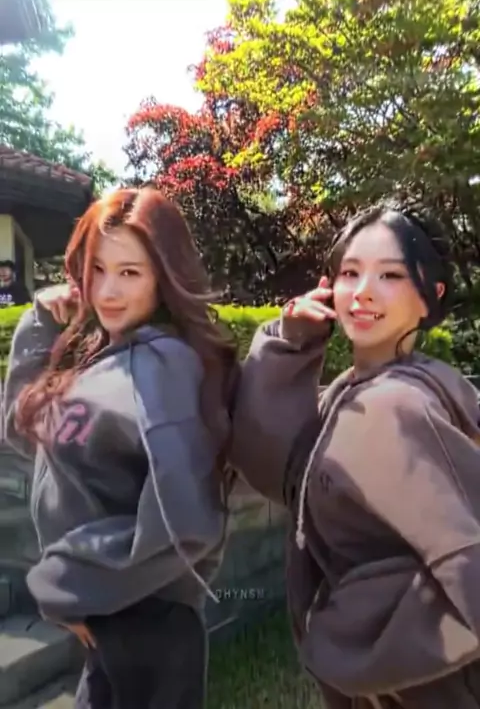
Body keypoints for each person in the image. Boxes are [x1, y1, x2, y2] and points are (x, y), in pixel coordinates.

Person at [230, 201, 480, 708]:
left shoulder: (395, 406)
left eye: (390, 274)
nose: (363, 290)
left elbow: (465, 560)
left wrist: (367, 632)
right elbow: (278, 467)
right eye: (350, 273)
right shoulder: (357, 390)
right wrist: (290, 341)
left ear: (430, 296)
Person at [3, 187, 238, 709]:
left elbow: (185, 520)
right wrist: (40, 324)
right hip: (110, 616)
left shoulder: (165, 368)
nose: (107, 291)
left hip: (146, 621)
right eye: (97, 269)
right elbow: (24, 433)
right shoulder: (105, 356)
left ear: (163, 277)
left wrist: (67, 583)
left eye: (130, 272)